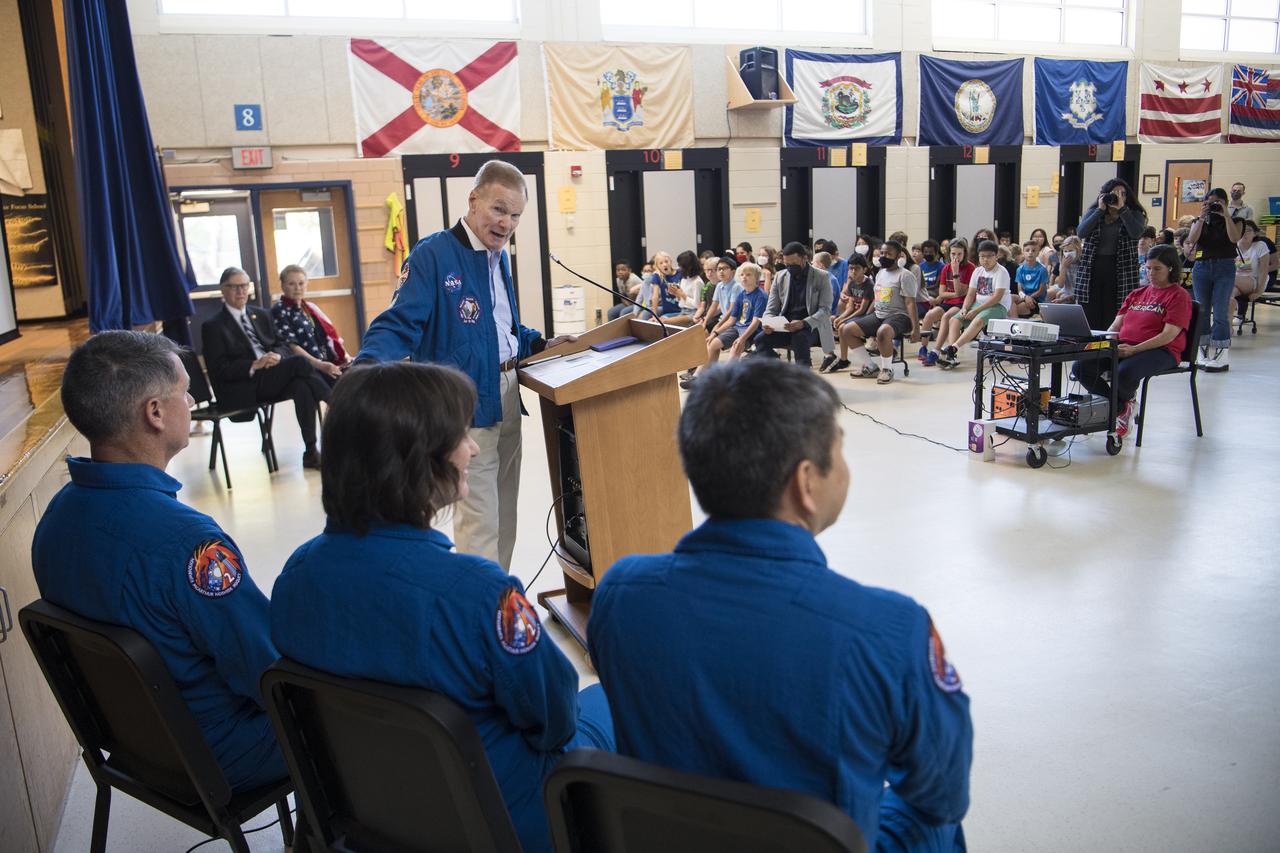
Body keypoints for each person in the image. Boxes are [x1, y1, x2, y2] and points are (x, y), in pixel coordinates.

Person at [588, 358, 973, 853]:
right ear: (806, 483)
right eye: (840, 449)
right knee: (934, 822)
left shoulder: (621, 594)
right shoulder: (887, 631)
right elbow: (943, 792)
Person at [271, 362, 614, 853]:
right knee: (612, 698)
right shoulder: (476, 594)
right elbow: (554, 718)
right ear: (420, 461)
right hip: (497, 817)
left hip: (369, 809)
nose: (472, 447)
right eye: (460, 436)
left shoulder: (295, 576)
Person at [33, 331, 285, 792]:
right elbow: (269, 674)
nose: (191, 400)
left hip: (134, 746)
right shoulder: (188, 543)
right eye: (184, 391)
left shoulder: (56, 516)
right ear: (154, 412)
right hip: (216, 754)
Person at [355, 160, 575, 570]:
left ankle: (497, 604)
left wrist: (539, 341)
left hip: (509, 397)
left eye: (515, 216)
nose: (507, 223)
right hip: (464, 407)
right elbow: (399, 323)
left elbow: (498, 326)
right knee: (480, 521)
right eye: (498, 209)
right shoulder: (433, 255)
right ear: (473, 201)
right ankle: (479, 617)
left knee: (505, 512)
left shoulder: (497, 257)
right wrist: (364, 372)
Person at [202, 266, 331, 469]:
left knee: (302, 386)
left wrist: (277, 356)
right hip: (244, 385)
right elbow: (220, 369)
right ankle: (337, 403)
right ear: (223, 290)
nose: (240, 291)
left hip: (272, 376)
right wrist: (254, 364)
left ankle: (310, 452)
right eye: (234, 287)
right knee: (300, 362)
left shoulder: (260, 315)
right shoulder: (213, 326)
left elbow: (282, 345)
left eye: (244, 286)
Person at [1073, 244, 1193, 438]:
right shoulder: (1137, 294)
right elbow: (1115, 326)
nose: (1151, 273)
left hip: (1161, 350)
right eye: (1148, 268)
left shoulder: (1179, 296)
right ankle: (1120, 407)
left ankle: (1118, 409)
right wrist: (1107, 344)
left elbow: (1168, 335)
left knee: (1125, 372)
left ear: (1171, 268)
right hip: (1125, 346)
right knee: (1081, 367)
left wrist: (1135, 350)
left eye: (1157, 269)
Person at [838, 241, 920, 384]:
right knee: (847, 330)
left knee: (883, 332)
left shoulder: (905, 276)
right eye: (882, 253)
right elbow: (877, 299)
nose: (883, 256)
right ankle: (870, 367)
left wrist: (916, 328)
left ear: (898, 256)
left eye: (888, 254)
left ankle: (887, 369)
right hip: (879, 314)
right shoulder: (881, 273)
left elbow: (910, 303)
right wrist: (866, 317)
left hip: (899, 316)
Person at [1075, 178, 1148, 331]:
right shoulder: (1095, 211)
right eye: (1114, 194)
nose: (1118, 197)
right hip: (1092, 269)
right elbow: (1081, 232)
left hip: (1121, 270)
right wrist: (1099, 210)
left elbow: (1136, 233)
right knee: (1091, 311)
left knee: (1114, 310)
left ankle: (1112, 346)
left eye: (1122, 194)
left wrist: (1122, 210)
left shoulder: (1134, 213)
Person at [682, 261, 767, 389]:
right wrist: (715, 333)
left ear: (756, 278)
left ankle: (724, 380)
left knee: (735, 348)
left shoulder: (760, 295)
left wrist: (742, 338)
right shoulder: (741, 294)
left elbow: (756, 322)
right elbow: (732, 320)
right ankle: (698, 377)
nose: (744, 277)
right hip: (737, 327)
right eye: (742, 274)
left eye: (748, 275)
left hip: (752, 331)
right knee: (712, 343)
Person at [1186, 187, 1244, 372]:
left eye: (1217, 202)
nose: (1213, 206)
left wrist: (1226, 214)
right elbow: (1191, 239)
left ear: (1225, 202)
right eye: (1210, 202)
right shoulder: (1200, 221)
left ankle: (1221, 354)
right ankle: (1201, 351)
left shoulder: (1236, 220)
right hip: (1202, 267)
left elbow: (1234, 238)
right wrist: (1202, 217)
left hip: (1224, 267)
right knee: (1201, 310)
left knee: (1220, 312)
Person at [754, 242, 833, 369]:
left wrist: (803, 323)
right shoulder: (780, 276)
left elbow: (825, 310)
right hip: (785, 326)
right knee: (760, 339)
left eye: (793, 264)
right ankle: (776, 370)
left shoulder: (822, 276)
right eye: (787, 264)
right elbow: (771, 308)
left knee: (799, 338)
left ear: (804, 258)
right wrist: (768, 323)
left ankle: (804, 377)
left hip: (812, 327)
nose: (790, 267)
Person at [270, 264, 350, 385]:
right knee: (347, 385)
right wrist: (320, 365)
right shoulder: (279, 310)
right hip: (310, 367)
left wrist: (346, 356)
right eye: (291, 284)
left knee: (362, 372)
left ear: (307, 284)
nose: (297, 288)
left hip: (327, 361)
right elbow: (292, 346)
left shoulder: (309, 308)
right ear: (282, 286)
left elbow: (330, 336)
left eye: (301, 283)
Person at [937, 240, 1011, 370]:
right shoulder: (978, 271)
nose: (985, 260)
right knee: (955, 319)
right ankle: (952, 356)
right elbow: (970, 295)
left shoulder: (1002, 272)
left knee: (978, 320)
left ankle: (953, 348)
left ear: (996, 256)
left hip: (998, 306)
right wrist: (965, 308)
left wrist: (976, 311)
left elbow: (997, 297)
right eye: (982, 256)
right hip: (978, 303)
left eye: (989, 256)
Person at [919, 241, 973, 366]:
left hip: (963, 303)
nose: (956, 257)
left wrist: (955, 272)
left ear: (965, 254)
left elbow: (961, 292)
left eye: (959, 254)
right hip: (949, 301)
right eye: (953, 253)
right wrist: (955, 294)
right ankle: (923, 347)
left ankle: (936, 351)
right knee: (930, 315)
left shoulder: (970, 268)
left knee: (946, 317)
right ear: (949, 253)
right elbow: (942, 293)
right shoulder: (946, 267)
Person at [825, 254, 875, 374]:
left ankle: (846, 359)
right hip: (856, 314)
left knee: (843, 326)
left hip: (866, 316)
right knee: (836, 321)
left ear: (864, 269)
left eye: (857, 268)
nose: (853, 271)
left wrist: (843, 320)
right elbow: (851, 306)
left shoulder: (869, 284)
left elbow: (862, 309)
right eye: (851, 268)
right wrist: (841, 317)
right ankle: (844, 359)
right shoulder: (851, 283)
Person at [1231, 219, 1269, 331]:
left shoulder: (1260, 245)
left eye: (1248, 230)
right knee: (1228, 296)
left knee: (1225, 279)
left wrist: (1258, 292)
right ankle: (1226, 325)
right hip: (1236, 281)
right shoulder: (1234, 246)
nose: (1244, 233)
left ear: (1255, 233)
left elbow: (1264, 270)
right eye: (1242, 230)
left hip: (1255, 281)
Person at [1012, 240, 1049, 318]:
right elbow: (1020, 290)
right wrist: (1026, 297)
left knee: (1014, 309)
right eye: (1027, 250)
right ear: (1023, 252)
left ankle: (1015, 323)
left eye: (1033, 250)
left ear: (1038, 253)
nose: (1030, 252)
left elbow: (1041, 290)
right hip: (1024, 297)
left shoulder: (1042, 269)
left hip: (1036, 299)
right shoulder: (1020, 269)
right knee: (1010, 298)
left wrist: (1030, 297)